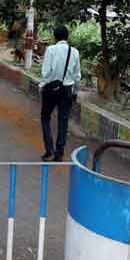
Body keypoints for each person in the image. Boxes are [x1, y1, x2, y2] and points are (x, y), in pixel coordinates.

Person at [39, 26, 81, 162]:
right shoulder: (74, 52)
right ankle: (59, 153)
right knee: (63, 121)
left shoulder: (50, 50)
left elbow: (46, 72)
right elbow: (77, 75)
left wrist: (42, 86)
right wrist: (75, 92)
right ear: (67, 37)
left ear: (55, 37)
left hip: (51, 88)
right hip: (67, 89)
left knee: (45, 117)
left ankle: (49, 149)